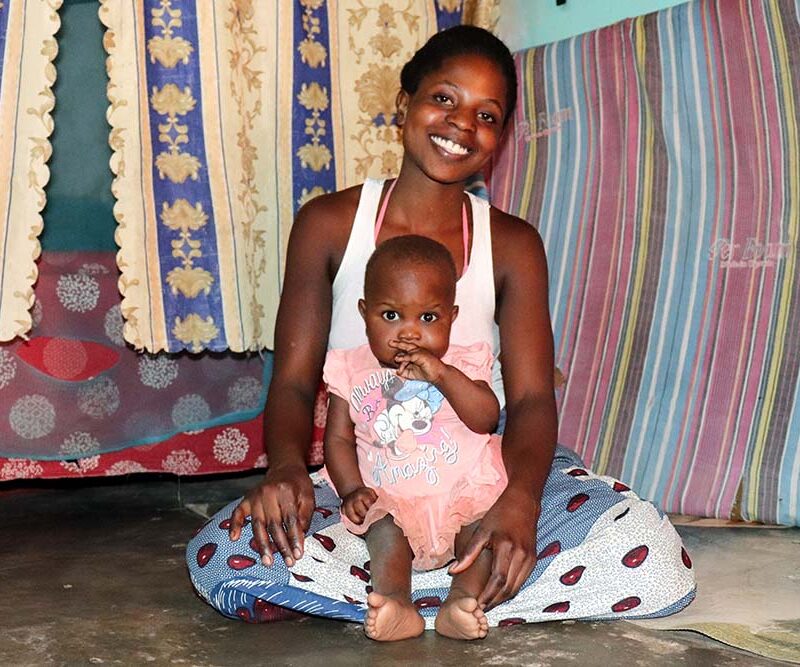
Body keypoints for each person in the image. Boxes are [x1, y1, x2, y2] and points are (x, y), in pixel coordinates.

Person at [186, 25, 695, 631]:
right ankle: (436, 596)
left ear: (500, 138)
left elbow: (531, 399)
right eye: (445, 98)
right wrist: (287, 471)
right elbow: (296, 383)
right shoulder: (328, 224)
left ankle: (414, 596)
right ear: (405, 103)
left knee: (655, 555)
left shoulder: (511, 244)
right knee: (224, 557)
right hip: (369, 490)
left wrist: (521, 506)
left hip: (480, 476)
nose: (461, 125)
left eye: (488, 114)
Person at [324, 234, 508, 640]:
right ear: (364, 312)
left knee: (480, 536)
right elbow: (337, 440)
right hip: (394, 499)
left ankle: (460, 601)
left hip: (461, 492)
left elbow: (486, 419)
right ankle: (396, 604)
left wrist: (442, 374)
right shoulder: (350, 369)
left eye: (428, 318)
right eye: (391, 316)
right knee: (384, 535)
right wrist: (352, 488)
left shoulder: (461, 361)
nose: (409, 334)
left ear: (451, 317)